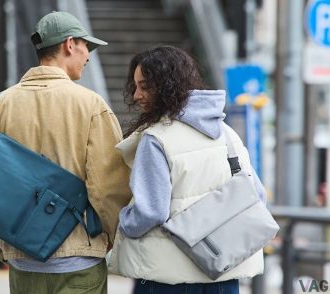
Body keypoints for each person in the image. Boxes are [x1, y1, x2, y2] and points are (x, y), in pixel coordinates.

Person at [0, 11, 131, 294]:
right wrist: (108, 236)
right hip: (78, 262)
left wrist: (0, 244)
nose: (88, 56)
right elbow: (108, 188)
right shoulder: (91, 105)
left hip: (22, 265)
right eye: (86, 47)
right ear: (70, 44)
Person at [108, 46, 266, 294]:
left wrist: (123, 221)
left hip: (167, 278)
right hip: (222, 274)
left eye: (145, 86)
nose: (137, 94)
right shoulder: (227, 134)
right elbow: (257, 195)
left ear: (166, 85)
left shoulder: (156, 139)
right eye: (135, 86)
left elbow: (151, 213)